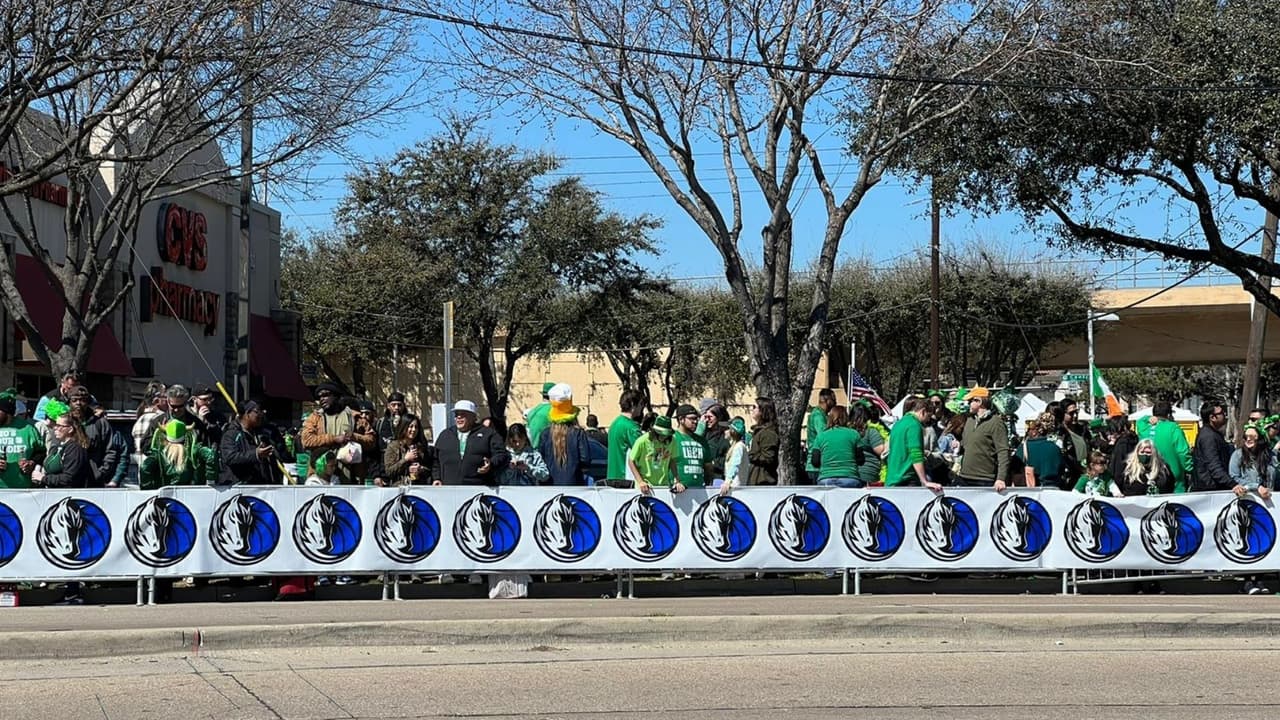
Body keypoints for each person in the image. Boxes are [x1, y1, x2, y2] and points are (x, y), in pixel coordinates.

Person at [301, 382, 375, 484]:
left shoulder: (354, 417)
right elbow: (306, 440)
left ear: (336, 396)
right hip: (321, 478)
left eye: (326, 395)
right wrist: (334, 439)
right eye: (319, 397)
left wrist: (354, 437)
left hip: (350, 476)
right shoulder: (315, 418)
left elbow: (371, 440)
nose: (322, 399)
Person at [433, 400, 508, 486]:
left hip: (478, 488)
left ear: (474, 417)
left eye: (463, 414)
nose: (459, 417)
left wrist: (491, 464)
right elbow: (435, 460)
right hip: (448, 488)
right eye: (456, 414)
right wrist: (436, 478)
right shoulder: (445, 435)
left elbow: (501, 454)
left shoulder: (488, 434)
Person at [955, 388, 1010, 490]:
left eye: (971, 401)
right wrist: (959, 444)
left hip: (984, 479)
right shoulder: (969, 420)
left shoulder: (996, 423)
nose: (968, 404)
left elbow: (1003, 451)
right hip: (964, 477)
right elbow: (968, 443)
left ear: (979, 401)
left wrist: (1001, 478)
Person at [219, 401, 284, 485]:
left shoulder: (262, 434)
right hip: (240, 487)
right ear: (247, 414)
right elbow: (230, 457)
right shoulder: (231, 434)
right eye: (257, 411)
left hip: (263, 487)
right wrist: (256, 454)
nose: (261, 415)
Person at [538, 384, 592, 486]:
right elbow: (585, 460)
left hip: (549, 486)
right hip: (574, 485)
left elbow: (540, 460)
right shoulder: (578, 433)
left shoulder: (545, 434)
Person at [884, 398, 943, 490]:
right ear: (923, 411)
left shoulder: (898, 424)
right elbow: (916, 453)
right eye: (928, 416)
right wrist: (924, 481)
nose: (927, 421)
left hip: (892, 478)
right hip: (906, 479)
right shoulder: (914, 425)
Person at [68, 386, 120, 488]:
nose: (78, 403)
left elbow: (111, 450)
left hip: (93, 481)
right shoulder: (65, 422)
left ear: (88, 402)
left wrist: (100, 472)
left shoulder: (100, 423)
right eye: (74, 400)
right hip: (69, 480)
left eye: (82, 400)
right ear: (69, 402)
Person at [142, 420, 217, 488]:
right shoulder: (193, 450)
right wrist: (210, 481)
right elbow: (211, 455)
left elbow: (144, 467)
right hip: (192, 495)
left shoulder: (159, 453)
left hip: (164, 498)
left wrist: (148, 489)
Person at [0, 388, 44, 488]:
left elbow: (41, 452)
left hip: (22, 491)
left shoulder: (28, 428)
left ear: (7, 412)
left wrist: (32, 463)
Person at [811, 405, 864, 488]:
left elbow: (815, 461)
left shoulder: (821, 436)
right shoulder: (854, 434)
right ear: (846, 417)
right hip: (850, 478)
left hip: (826, 479)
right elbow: (861, 460)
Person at [1150, 400, 1193, 493]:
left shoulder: (1145, 428)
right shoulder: (1173, 428)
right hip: (1175, 480)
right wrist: (1190, 469)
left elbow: (1140, 421)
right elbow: (1183, 452)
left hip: (1151, 477)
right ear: (1169, 415)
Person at [1016, 412, 1067, 489]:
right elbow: (1061, 470)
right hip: (1052, 489)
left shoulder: (1022, 447)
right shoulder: (1055, 448)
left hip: (1029, 490)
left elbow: (1015, 469)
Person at [627, 415, 676, 494]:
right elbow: (631, 460)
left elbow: (673, 460)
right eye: (661, 434)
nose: (664, 437)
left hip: (664, 486)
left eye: (666, 434)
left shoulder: (672, 441)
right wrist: (640, 481)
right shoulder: (642, 441)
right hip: (645, 487)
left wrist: (677, 480)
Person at [606, 389, 646, 486]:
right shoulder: (631, 428)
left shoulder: (614, 424)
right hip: (626, 480)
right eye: (641, 404)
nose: (642, 408)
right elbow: (643, 454)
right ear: (633, 404)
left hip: (612, 477)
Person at [1192, 400, 1233, 492]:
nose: (1225, 415)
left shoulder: (1214, 434)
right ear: (1212, 417)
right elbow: (1213, 465)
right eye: (1221, 413)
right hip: (1210, 489)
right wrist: (1232, 484)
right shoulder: (1208, 437)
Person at [1230, 424, 1277, 501]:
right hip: (1249, 498)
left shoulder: (1271, 455)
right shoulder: (1238, 455)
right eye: (1245, 437)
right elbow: (1234, 477)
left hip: (1270, 499)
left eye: (1251, 436)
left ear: (1260, 438)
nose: (1248, 439)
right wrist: (1256, 486)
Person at [383, 417, 435, 486]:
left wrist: (420, 469)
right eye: (410, 427)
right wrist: (405, 459)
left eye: (416, 427)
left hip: (419, 487)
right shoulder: (393, 447)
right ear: (404, 427)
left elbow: (430, 469)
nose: (413, 430)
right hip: (399, 488)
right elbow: (389, 471)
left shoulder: (422, 446)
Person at [850, 403, 887, 488]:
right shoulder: (870, 431)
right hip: (868, 473)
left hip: (850, 473)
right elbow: (881, 451)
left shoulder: (846, 432)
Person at [805, 389, 836, 484]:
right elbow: (824, 435)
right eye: (833, 399)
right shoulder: (818, 416)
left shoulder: (823, 415)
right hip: (816, 466)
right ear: (827, 400)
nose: (835, 402)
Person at [747, 396, 780, 485]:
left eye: (755, 407)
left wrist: (751, 456)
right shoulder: (758, 431)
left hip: (764, 481)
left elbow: (769, 458)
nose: (752, 410)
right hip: (754, 480)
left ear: (763, 411)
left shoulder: (768, 433)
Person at [354, 400, 386, 485]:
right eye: (361, 414)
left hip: (375, 474)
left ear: (373, 414)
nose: (364, 416)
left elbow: (375, 456)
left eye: (367, 413)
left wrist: (377, 475)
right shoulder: (356, 429)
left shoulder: (378, 430)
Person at [131, 382, 168, 453]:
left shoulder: (141, 419)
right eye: (165, 396)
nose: (168, 400)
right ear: (157, 400)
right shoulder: (158, 419)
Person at [190, 383, 228, 447]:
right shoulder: (187, 415)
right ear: (194, 399)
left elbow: (222, 437)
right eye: (204, 399)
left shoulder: (217, 416)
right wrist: (200, 421)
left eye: (210, 398)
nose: (209, 402)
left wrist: (208, 424)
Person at [721, 417, 750, 492]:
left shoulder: (739, 446)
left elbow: (735, 464)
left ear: (733, 431)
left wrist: (728, 481)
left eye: (727, 429)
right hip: (733, 487)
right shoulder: (735, 446)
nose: (724, 431)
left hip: (735, 489)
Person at [936, 412, 966, 481]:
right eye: (961, 428)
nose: (963, 431)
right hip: (947, 471)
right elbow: (940, 454)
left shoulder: (959, 439)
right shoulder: (946, 438)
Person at [526, 381, 555, 449]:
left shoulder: (532, 412)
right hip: (547, 452)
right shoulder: (554, 412)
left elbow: (528, 434)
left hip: (533, 452)